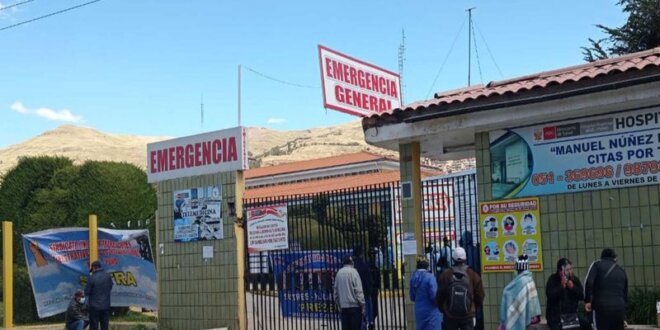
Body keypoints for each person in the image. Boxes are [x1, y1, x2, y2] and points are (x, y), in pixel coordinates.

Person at [436, 247, 485, 330]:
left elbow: (439, 296)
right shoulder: (472, 274)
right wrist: (472, 306)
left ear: (453, 259)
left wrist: (444, 309)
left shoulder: (445, 275)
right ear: (465, 258)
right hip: (467, 316)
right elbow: (480, 295)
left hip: (449, 315)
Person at [584, 248, 628, 330]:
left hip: (601, 308)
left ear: (601, 257)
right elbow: (625, 294)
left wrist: (587, 301)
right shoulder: (621, 270)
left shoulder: (596, 265)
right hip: (619, 309)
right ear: (614, 258)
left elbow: (589, 282)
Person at [498, 255, 541, 330]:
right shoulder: (530, 279)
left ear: (517, 268)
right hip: (533, 317)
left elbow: (507, 292)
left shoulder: (520, 281)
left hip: (526, 319)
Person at [546, 258, 590, 330]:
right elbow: (550, 296)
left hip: (572, 315)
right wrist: (561, 287)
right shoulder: (552, 280)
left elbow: (581, 296)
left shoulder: (574, 279)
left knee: (586, 324)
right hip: (556, 317)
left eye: (571, 269)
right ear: (560, 271)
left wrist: (573, 287)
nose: (570, 272)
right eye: (567, 270)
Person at [409, 256, 442, 330]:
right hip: (431, 312)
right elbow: (434, 296)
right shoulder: (430, 277)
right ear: (427, 265)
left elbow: (412, 297)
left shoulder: (413, 277)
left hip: (419, 310)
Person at [334, 255, 366, 330]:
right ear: (351, 262)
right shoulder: (354, 272)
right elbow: (358, 291)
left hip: (344, 307)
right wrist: (362, 304)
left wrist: (339, 304)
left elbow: (335, 292)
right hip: (355, 307)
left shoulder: (339, 273)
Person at [85, 260, 114, 330]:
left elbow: (87, 292)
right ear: (100, 267)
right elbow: (110, 286)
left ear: (94, 268)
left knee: (94, 326)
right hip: (105, 306)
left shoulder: (92, 277)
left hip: (94, 307)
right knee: (105, 326)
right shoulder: (108, 276)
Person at [353, 246, 375, 330]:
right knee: (367, 309)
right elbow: (368, 280)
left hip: (355, 294)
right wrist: (370, 291)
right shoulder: (364, 265)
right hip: (365, 292)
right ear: (361, 254)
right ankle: (370, 323)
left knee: (359, 312)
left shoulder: (353, 267)